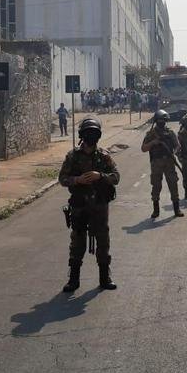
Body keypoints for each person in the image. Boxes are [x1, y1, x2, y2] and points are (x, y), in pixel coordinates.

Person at [58, 117, 120, 293]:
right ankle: (73, 279)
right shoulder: (72, 156)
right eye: (87, 133)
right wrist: (76, 180)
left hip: (99, 205)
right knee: (77, 241)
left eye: (94, 133)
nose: (90, 136)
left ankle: (104, 277)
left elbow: (116, 177)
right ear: (82, 135)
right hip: (79, 206)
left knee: (102, 239)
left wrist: (100, 176)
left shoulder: (104, 156)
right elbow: (62, 179)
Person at [141, 110, 183, 219]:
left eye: (163, 120)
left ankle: (176, 209)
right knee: (156, 186)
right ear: (156, 121)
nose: (161, 122)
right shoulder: (151, 134)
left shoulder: (170, 133)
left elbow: (178, 145)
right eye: (159, 120)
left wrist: (173, 153)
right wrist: (153, 142)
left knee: (173, 184)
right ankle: (156, 210)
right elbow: (144, 148)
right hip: (156, 163)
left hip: (169, 161)